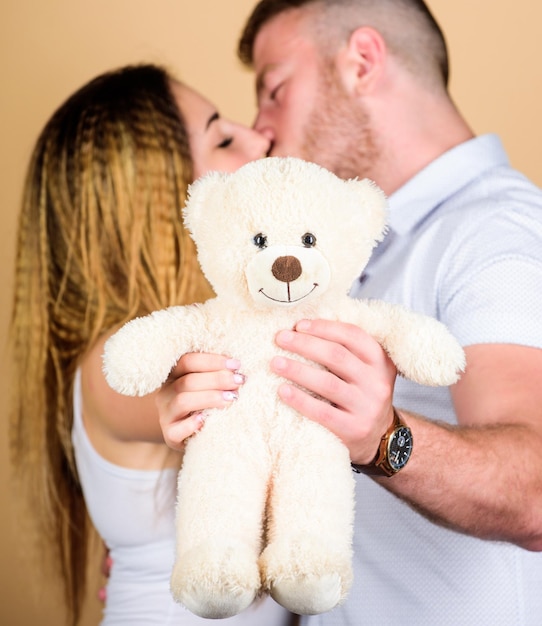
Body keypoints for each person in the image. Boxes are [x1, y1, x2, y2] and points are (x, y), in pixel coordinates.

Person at [156, 1, 542, 624]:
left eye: (275, 90)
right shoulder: (335, 259)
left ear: (362, 61)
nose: (263, 130)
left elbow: (536, 491)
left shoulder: (493, 232)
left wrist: (383, 439)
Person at [8, 63, 294, 626]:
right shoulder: (109, 362)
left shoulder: (238, 316)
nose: (260, 137)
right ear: (161, 199)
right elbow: (162, 386)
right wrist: (178, 391)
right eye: (223, 138)